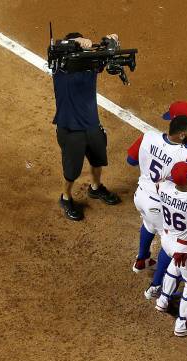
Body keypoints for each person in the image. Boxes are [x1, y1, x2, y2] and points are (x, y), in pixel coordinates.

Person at [126, 110, 187, 274]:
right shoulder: (185, 155)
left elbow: (130, 160)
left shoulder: (149, 136)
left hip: (140, 195)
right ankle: (157, 284)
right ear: (181, 135)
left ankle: (142, 259)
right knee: (170, 243)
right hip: (159, 202)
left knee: (148, 224)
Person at [53, 32, 121, 221]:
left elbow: (109, 54)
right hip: (70, 129)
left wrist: (112, 40)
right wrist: (75, 42)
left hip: (92, 124)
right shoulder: (60, 66)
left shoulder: (92, 65)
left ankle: (95, 187)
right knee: (71, 171)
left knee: (97, 160)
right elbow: (57, 47)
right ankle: (66, 197)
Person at [154, 162, 187, 336]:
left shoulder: (163, 188)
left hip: (168, 240)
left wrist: (185, 176)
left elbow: (162, 180)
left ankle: (163, 299)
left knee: (176, 267)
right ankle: (183, 325)